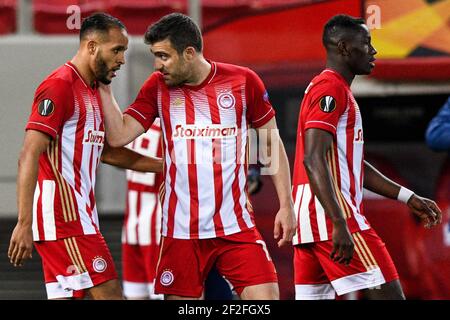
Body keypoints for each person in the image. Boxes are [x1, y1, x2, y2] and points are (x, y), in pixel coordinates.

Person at [100, 13, 296, 300]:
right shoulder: (157, 87)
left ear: (189, 53)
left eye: (164, 56)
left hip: (235, 227)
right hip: (181, 232)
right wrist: (105, 86)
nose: (157, 65)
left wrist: (286, 204)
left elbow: (270, 143)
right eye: (155, 56)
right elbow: (118, 136)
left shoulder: (243, 81)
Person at [8, 13, 162, 300]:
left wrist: (165, 167)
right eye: (117, 50)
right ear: (91, 47)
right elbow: (29, 153)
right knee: (112, 294)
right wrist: (24, 222)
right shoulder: (60, 86)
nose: (122, 60)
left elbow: (106, 152)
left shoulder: (92, 89)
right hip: (65, 220)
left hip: (79, 218)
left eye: (125, 51)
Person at [291, 14, 442, 300]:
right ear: (344, 48)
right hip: (333, 219)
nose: (373, 51)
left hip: (311, 224)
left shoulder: (329, 88)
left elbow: (350, 166)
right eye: (367, 43)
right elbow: (312, 158)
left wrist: (407, 196)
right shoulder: (331, 89)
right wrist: (339, 222)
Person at [121, 119, 164, 300]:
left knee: (135, 295)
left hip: (132, 225)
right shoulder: (173, 128)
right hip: (158, 228)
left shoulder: (131, 124)